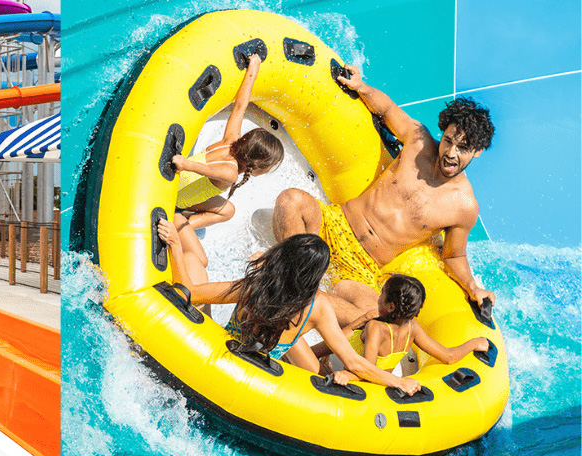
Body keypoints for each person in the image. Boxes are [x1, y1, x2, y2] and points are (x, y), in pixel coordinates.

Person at [272, 65, 496, 319]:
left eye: (463, 148)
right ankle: (296, 281)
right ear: (442, 133)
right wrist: (361, 86)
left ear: (477, 151)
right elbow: (388, 110)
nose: (451, 153)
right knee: (290, 200)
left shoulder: (464, 207)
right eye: (448, 141)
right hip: (334, 224)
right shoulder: (418, 141)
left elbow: (454, 255)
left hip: (361, 266)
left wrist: (473, 287)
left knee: (370, 312)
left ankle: (303, 293)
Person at [158, 220, 420, 394]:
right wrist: (398, 381)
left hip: (224, 357)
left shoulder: (255, 287)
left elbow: (187, 293)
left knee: (194, 261)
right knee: (311, 363)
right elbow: (355, 362)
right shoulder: (317, 308)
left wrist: (175, 246)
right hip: (264, 379)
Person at [172, 53, 285, 294]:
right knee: (201, 261)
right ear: (256, 165)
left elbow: (241, 104)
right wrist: (183, 163)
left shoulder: (230, 140)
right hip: (174, 201)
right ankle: (183, 225)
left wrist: (253, 68)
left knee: (228, 210)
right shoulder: (231, 172)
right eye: (267, 167)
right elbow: (206, 169)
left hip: (184, 189)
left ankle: (190, 222)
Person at [313, 274, 490, 377]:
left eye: (382, 294)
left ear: (390, 306)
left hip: (356, 379)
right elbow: (449, 356)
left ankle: (319, 360)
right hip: (384, 380)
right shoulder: (412, 328)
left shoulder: (376, 328)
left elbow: (366, 371)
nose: (379, 298)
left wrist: (341, 375)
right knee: (350, 334)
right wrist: (474, 343)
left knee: (307, 350)